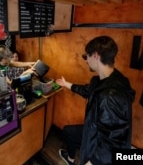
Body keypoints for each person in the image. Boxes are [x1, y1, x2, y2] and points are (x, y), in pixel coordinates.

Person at [56, 36, 135, 165]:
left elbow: (113, 144)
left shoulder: (110, 96)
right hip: (93, 131)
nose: (86, 61)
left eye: (86, 56)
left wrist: (92, 162)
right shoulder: (107, 79)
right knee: (69, 131)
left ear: (96, 56)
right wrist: (66, 84)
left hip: (101, 150)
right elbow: (87, 91)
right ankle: (70, 159)